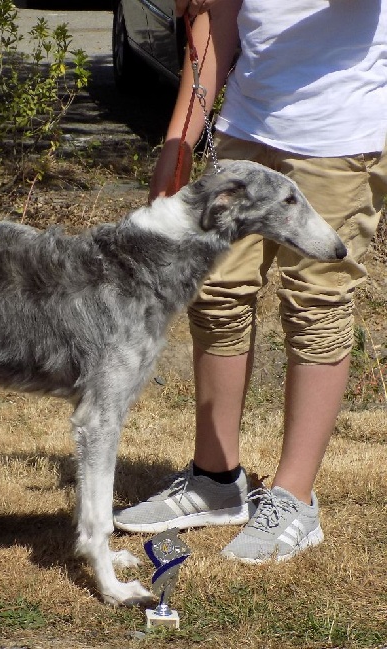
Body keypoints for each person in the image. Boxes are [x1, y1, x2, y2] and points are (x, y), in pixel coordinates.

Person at [114, 0, 387, 562]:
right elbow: (216, 28)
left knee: (317, 305)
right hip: (246, 126)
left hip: (337, 134)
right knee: (215, 293)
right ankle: (215, 480)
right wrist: (178, 144)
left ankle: (294, 498)